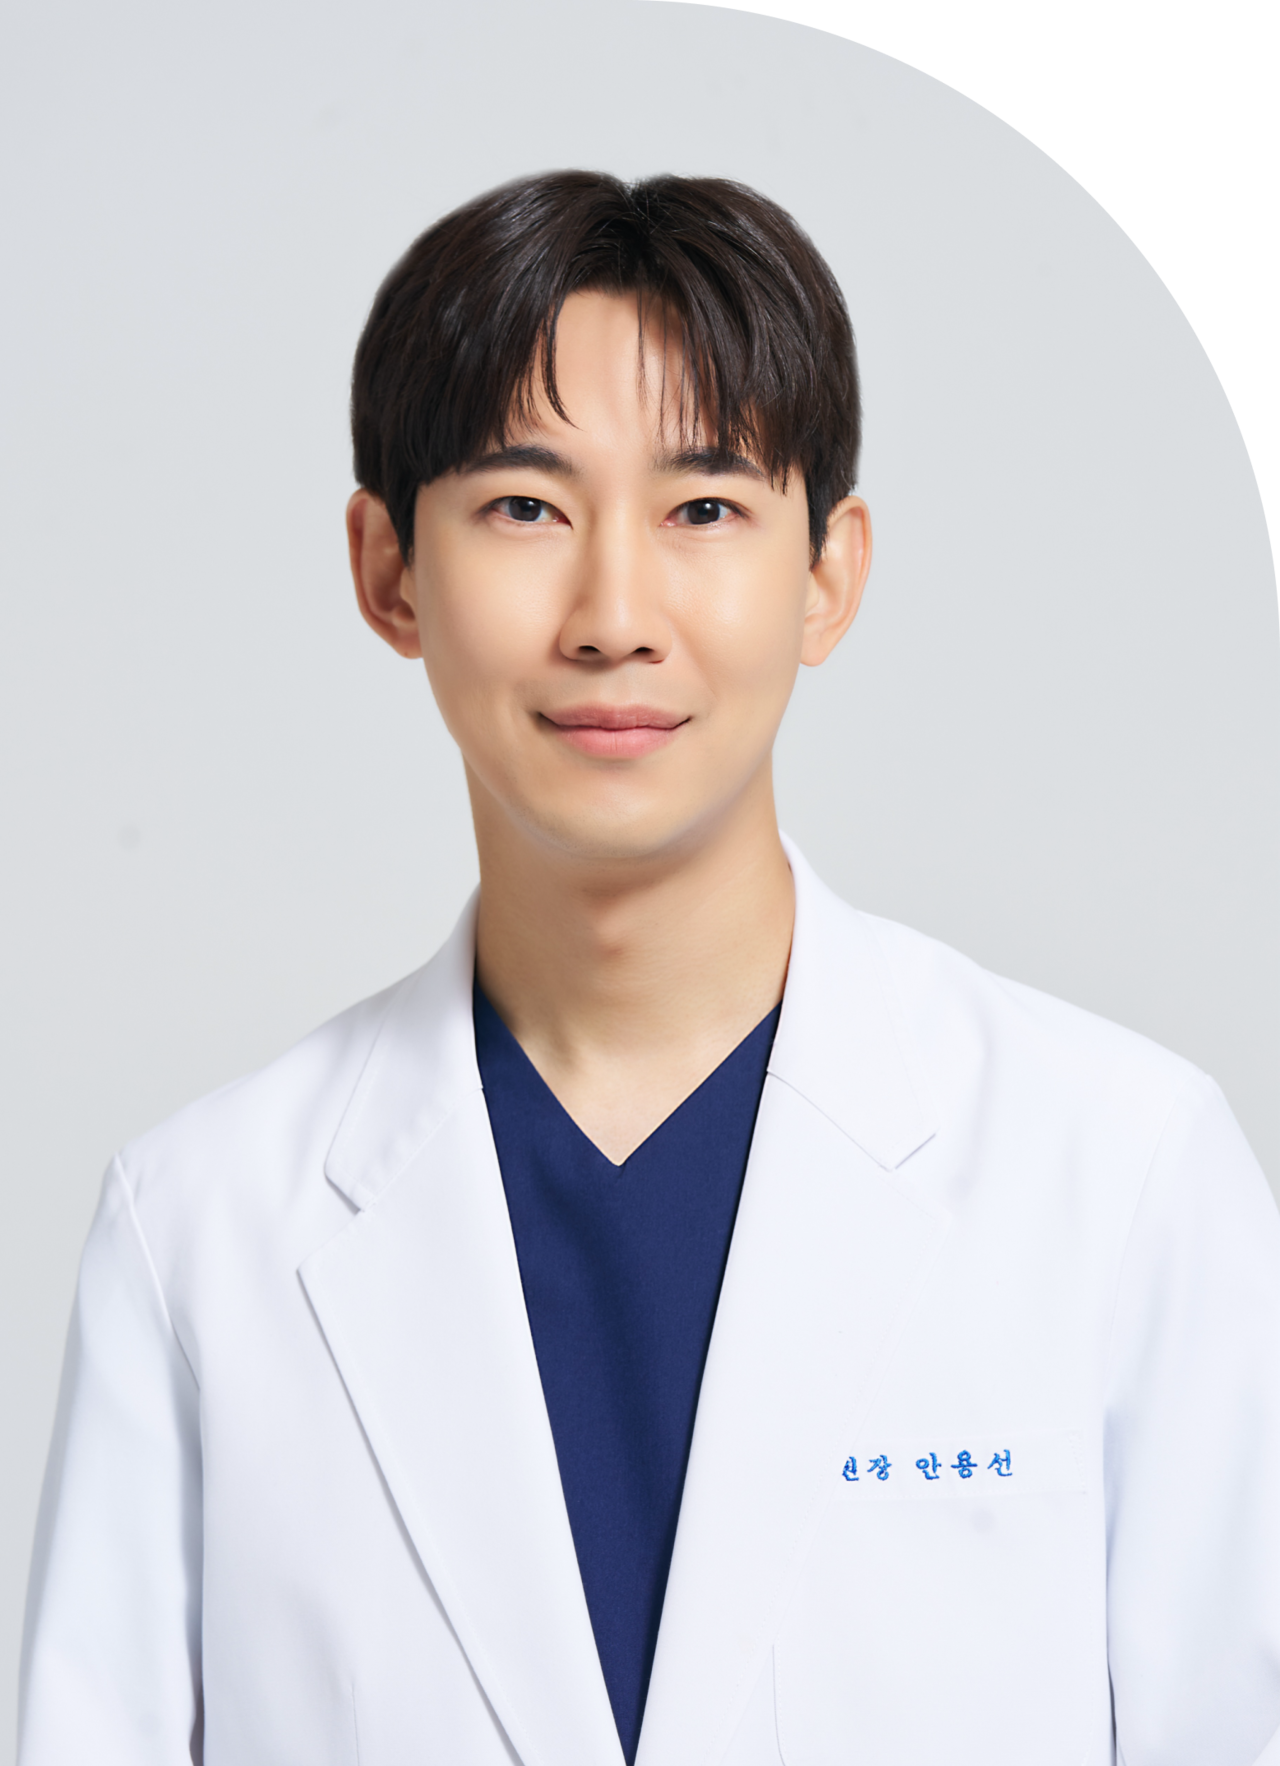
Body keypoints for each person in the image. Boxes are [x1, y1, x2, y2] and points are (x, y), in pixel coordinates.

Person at [16, 170, 1280, 1766]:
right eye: (524, 507)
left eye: (704, 509)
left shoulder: (1123, 1176)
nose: (614, 616)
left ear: (828, 572)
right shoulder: (197, 1232)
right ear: (389, 569)